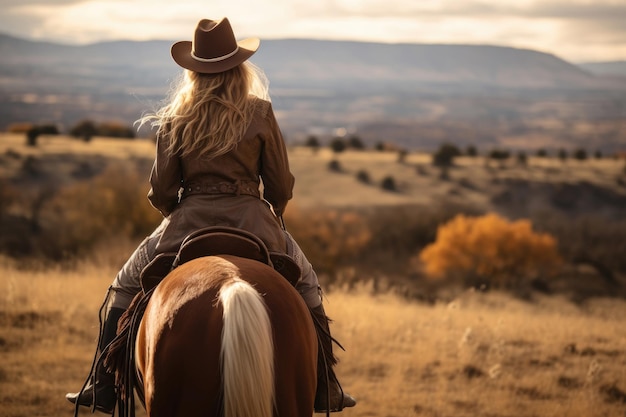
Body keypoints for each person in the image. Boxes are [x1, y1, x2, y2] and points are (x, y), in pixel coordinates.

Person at [66, 17, 356, 414]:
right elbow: (280, 185)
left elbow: (163, 190)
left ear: (193, 71)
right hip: (255, 219)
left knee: (123, 286)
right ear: (239, 67)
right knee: (308, 286)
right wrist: (272, 213)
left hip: (187, 220)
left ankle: (101, 385)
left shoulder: (175, 117)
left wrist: (178, 214)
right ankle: (327, 386)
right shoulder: (260, 111)